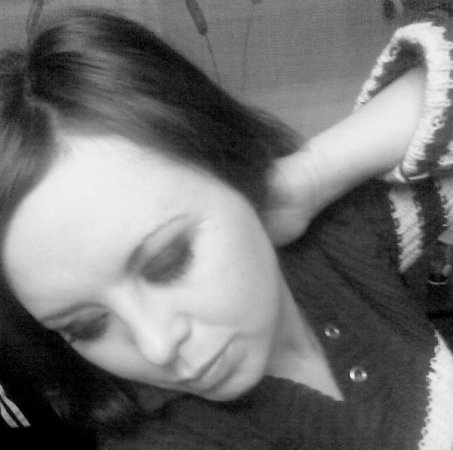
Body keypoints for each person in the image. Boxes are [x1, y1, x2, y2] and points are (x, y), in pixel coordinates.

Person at [0, 7, 452, 449]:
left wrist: (309, 177)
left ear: (231, 168)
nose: (157, 347)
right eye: (87, 327)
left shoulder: (334, 246)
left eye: (169, 262)